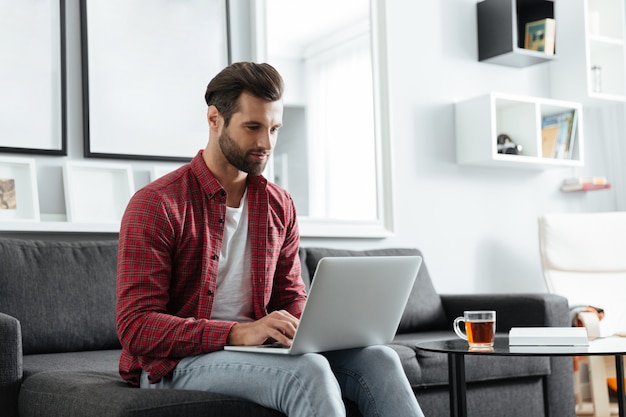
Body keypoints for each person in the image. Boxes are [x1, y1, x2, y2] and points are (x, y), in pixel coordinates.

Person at [116, 61, 425, 417]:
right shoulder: (157, 204)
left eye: (274, 128)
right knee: (308, 371)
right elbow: (135, 326)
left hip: (261, 352)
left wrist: (315, 328)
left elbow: (290, 295)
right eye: (253, 127)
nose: (266, 143)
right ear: (214, 119)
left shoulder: (278, 204)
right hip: (174, 365)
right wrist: (237, 332)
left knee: (380, 360)